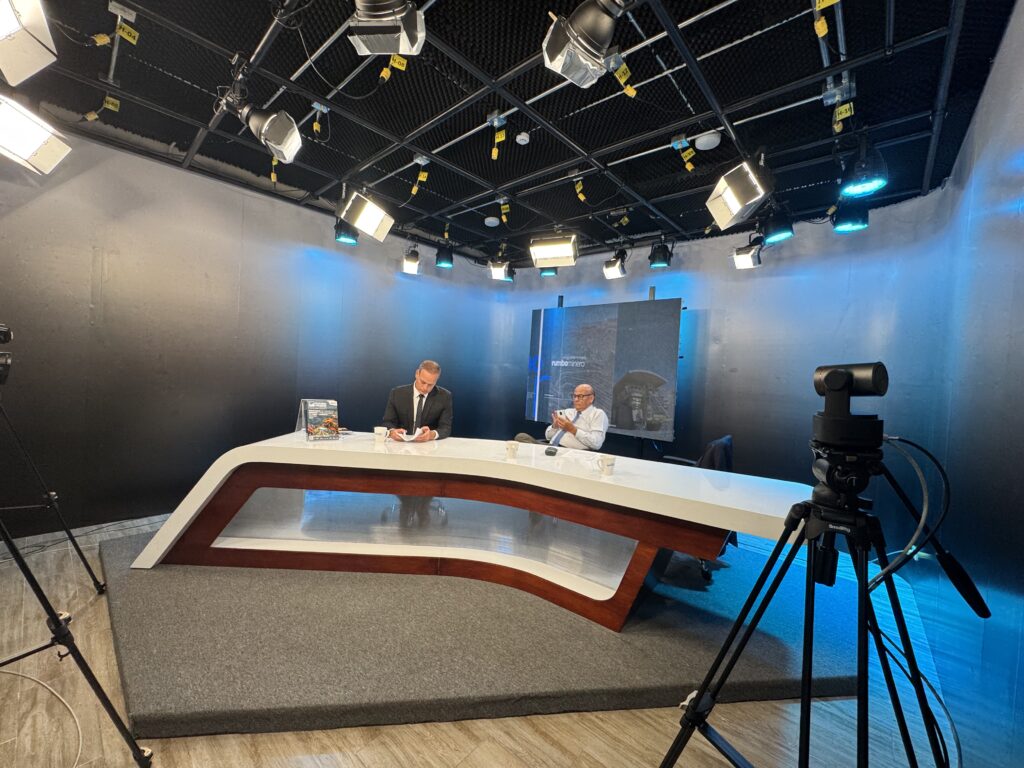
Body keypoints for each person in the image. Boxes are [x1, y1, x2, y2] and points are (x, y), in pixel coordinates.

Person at [382, 360, 453, 442]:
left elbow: (445, 428)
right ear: (417, 374)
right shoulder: (397, 394)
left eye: (430, 384)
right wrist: (391, 432)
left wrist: (431, 435)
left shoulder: (444, 396)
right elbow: (388, 422)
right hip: (400, 444)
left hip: (428, 445)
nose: (425, 388)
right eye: (423, 382)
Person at [543, 384, 608, 451]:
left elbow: (596, 443)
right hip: (549, 446)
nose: (576, 399)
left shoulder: (598, 414)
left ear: (591, 398)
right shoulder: (567, 412)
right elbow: (548, 436)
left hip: (570, 453)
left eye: (580, 396)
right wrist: (555, 426)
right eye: (574, 396)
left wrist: (573, 429)